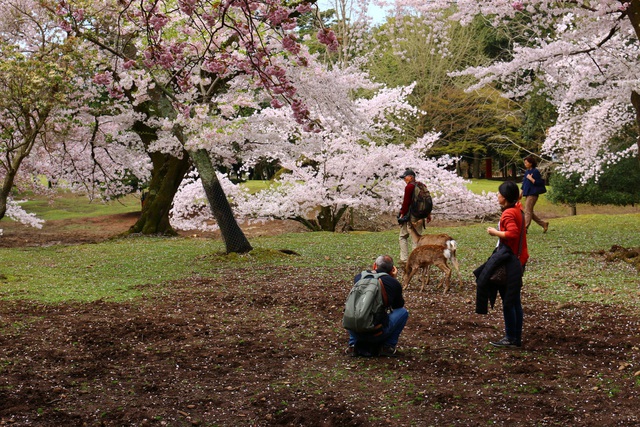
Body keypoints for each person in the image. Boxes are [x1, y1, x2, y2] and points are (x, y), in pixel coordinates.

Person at [474, 181, 529, 348]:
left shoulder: (508, 214)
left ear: (504, 198)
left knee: (508, 301)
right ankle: (515, 336)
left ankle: (511, 337)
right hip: (519, 259)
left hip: (510, 261)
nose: (496, 196)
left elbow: (512, 233)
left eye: (498, 193)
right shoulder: (518, 210)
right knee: (514, 301)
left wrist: (494, 232)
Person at [345, 255, 409, 357]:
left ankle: (352, 345)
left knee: (354, 307)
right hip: (377, 333)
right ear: (392, 269)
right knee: (403, 312)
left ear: (374, 265)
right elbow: (398, 305)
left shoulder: (359, 277)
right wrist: (393, 279)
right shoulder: (393, 283)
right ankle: (387, 347)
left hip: (354, 330)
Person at [397, 169, 431, 267]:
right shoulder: (422, 186)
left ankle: (405, 260)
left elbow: (406, 202)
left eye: (405, 177)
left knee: (403, 236)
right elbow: (428, 201)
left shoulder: (409, 187)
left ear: (411, 177)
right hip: (421, 216)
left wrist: (402, 214)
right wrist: (428, 214)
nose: (404, 179)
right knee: (417, 238)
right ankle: (417, 260)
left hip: (411, 216)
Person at [520, 155, 549, 233]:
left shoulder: (535, 171)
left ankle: (525, 228)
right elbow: (524, 184)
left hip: (533, 194)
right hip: (527, 193)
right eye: (524, 163)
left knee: (528, 211)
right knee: (529, 211)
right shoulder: (527, 172)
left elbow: (540, 182)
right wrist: (521, 193)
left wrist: (532, 179)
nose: (525, 164)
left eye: (526, 162)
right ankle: (543, 224)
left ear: (531, 163)